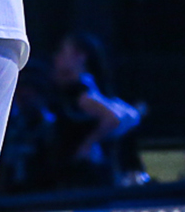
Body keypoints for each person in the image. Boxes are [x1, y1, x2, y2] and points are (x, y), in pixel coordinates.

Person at [47, 32, 139, 189]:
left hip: (82, 176)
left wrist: (87, 144)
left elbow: (115, 118)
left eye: (63, 52)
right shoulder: (76, 90)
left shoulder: (82, 92)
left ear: (81, 57)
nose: (57, 57)